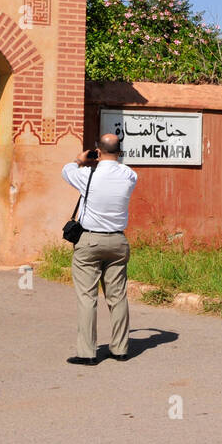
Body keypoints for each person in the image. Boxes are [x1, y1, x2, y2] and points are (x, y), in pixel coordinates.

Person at [62, 132, 138, 365]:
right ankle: (120, 349)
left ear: (97, 149)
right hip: (117, 242)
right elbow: (121, 170)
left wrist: (80, 159)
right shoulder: (130, 175)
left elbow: (66, 171)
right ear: (119, 151)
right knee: (117, 297)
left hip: (90, 242)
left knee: (87, 297)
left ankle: (87, 353)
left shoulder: (87, 175)